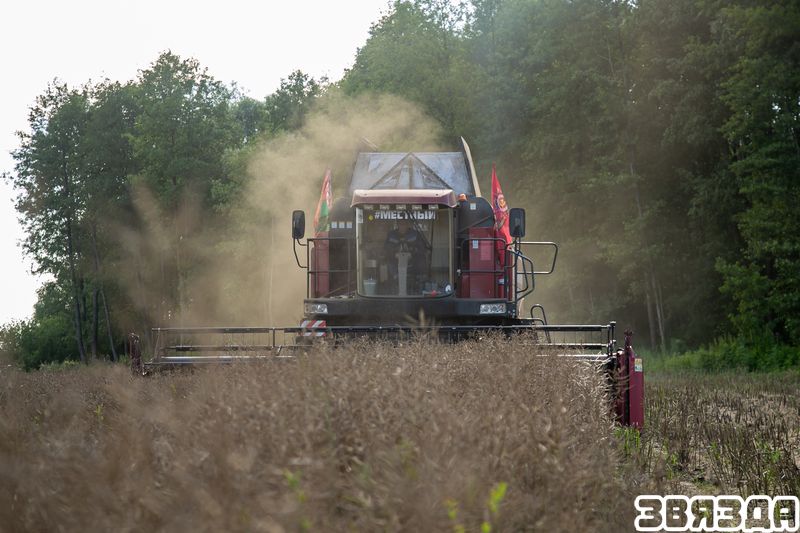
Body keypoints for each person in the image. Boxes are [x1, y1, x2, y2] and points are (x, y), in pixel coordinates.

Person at [383, 219, 427, 294]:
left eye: (404, 224)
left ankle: (418, 288)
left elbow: (422, 249)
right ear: (397, 225)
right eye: (401, 224)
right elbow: (386, 250)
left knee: (421, 262)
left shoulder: (415, 234)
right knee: (387, 265)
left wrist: (412, 253)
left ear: (408, 225)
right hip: (394, 266)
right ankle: (392, 290)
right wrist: (394, 254)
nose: (402, 226)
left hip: (413, 265)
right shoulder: (391, 235)